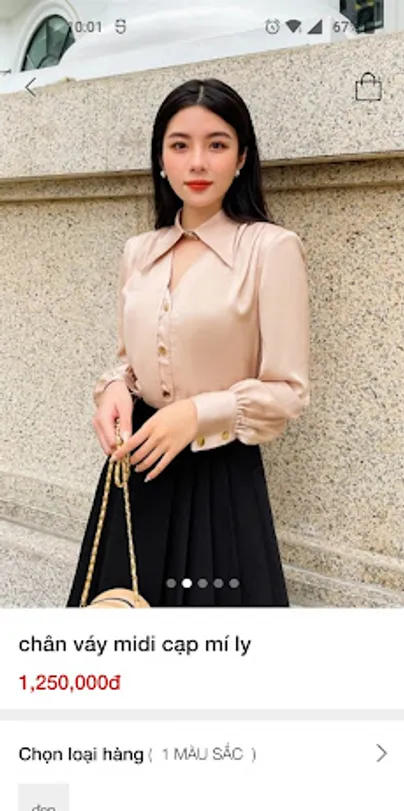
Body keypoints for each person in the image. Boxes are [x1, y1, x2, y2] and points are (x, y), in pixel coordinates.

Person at [67, 77, 310, 608]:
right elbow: (130, 363)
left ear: (242, 157)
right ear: (161, 158)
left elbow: (288, 391)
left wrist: (197, 414)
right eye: (180, 145)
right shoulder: (139, 251)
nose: (197, 162)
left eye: (216, 144)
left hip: (219, 478)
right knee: (119, 630)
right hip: (137, 471)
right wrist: (113, 390)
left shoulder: (270, 249)